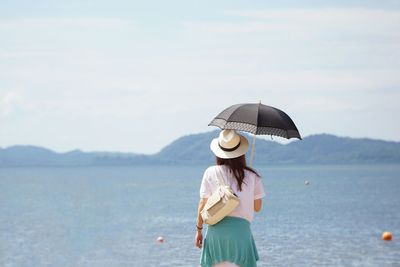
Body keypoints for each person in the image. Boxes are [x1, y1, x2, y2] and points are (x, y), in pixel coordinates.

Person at [195, 129, 266, 267]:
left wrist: (198, 230)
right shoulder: (252, 176)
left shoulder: (210, 172)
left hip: (216, 234)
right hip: (241, 235)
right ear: (241, 152)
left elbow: (202, 204)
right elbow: (257, 208)